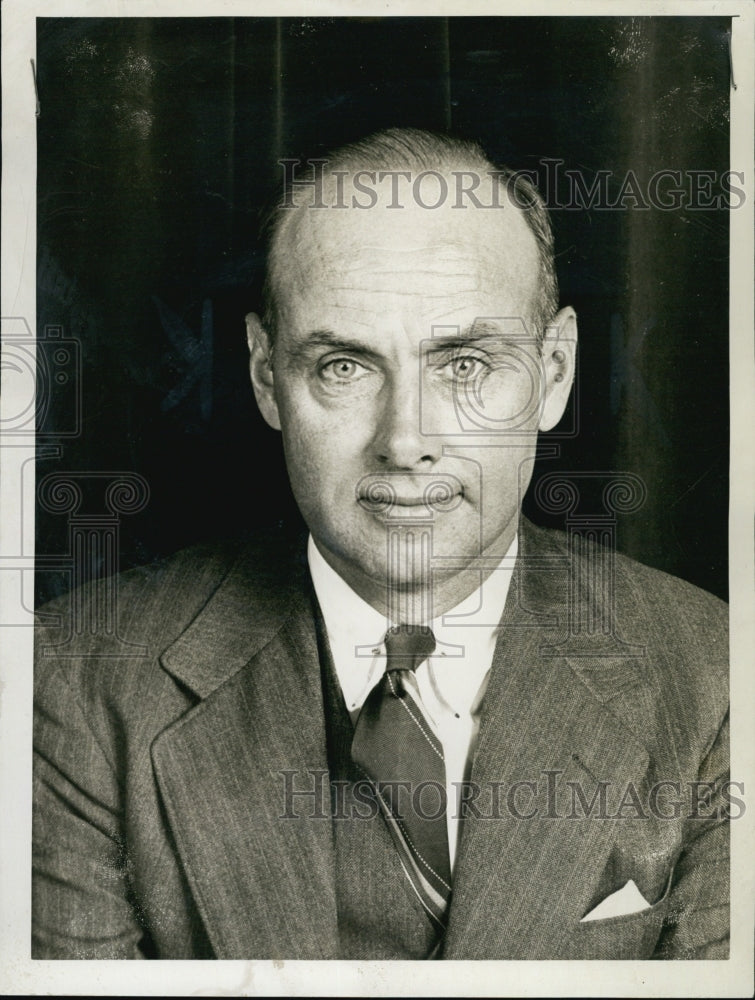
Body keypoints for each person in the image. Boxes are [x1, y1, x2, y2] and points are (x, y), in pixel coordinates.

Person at [32, 128, 729, 960]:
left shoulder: (716, 676)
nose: (404, 441)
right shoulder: (76, 681)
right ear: (265, 375)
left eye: (463, 364)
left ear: (553, 373)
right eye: (344, 366)